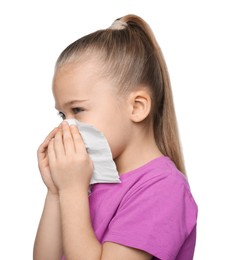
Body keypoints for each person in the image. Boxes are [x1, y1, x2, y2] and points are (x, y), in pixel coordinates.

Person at [33, 14, 198, 260]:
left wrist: (71, 190)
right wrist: (56, 191)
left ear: (137, 107)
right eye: (62, 114)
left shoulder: (163, 188)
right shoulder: (88, 181)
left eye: (78, 110)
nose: (67, 127)